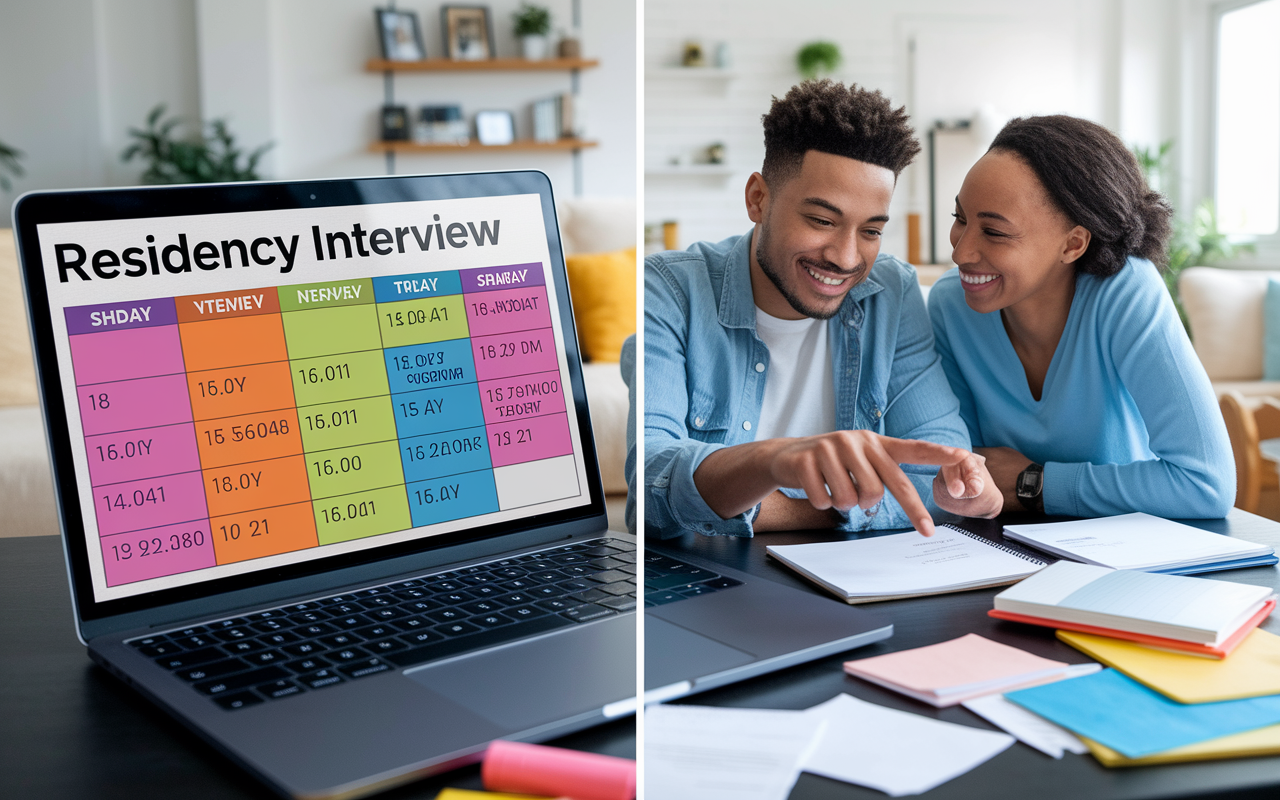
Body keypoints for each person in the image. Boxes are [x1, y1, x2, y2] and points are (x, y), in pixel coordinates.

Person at [641, 80, 1003, 540]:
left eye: (871, 231)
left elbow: (939, 479)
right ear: (758, 199)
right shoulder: (670, 289)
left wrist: (754, 505)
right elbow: (651, 490)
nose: (846, 258)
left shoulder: (891, 289)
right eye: (822, 221)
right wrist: (774, 461)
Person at [927, 115, 1234, 518]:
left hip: (1127, 558)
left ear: (1073, 243)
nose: (960, 252)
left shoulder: (1126, 293)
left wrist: (1034, 483)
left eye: (995, 232)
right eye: (960, 219)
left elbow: (1206, 484)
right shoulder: (952, 304)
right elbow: (959, 473)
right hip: (1001, 546)